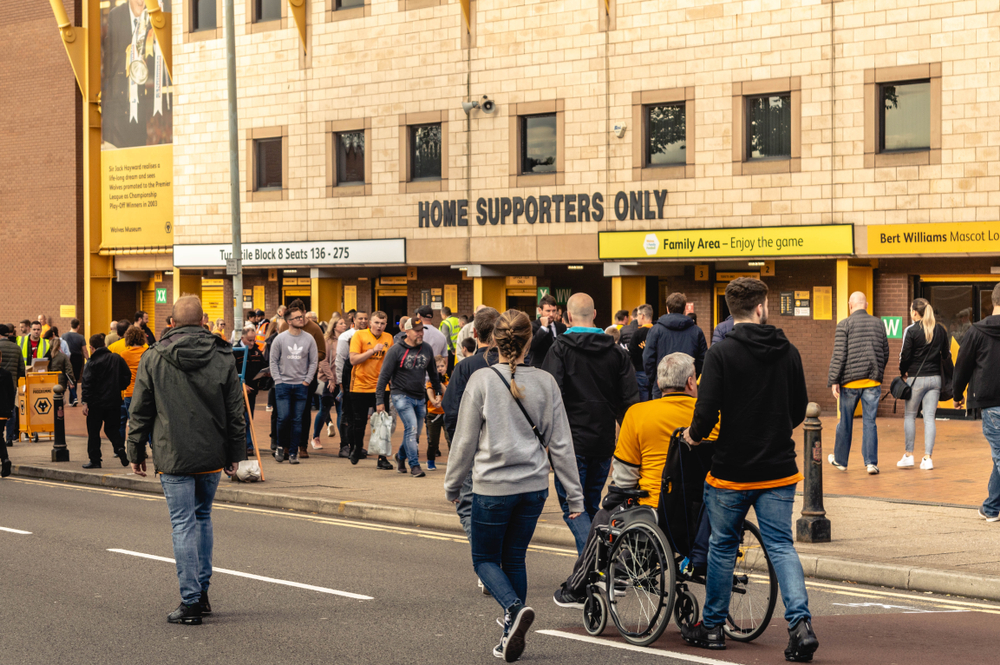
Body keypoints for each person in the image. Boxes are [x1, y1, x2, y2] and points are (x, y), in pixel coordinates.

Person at [680, 277, 817, 662]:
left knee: (723, 547)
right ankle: (800, 626)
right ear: (761, 308)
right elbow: (799, 407)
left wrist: (693, 437)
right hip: (778, 469)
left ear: (732, 311)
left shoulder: (721, 355)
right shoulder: (788, 350)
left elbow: (705, 414)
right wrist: (773, 431)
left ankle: (712, 628)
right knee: (780, 546)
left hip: (732, 471)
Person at [444, 309, 584, 663]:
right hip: (534, 487)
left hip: (492, 487)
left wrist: (452, 485)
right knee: (514, 558)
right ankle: (510, 632)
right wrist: (574, 495)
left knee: (484, 560)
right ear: (529, 340)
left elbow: (464, 442)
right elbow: (562, 444)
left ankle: (513, 607)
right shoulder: (546, 382)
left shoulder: (482, 381)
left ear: (494, 340)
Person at [553, 352, 718, 608]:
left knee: (603, 517)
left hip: (655, 510)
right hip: (704, 512)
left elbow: (625, 476)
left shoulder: (638, 413)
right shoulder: (710, 417)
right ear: (690, 382)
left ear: (660, 384)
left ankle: (580, 586)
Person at [126, 296, 246, 626]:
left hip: (173, 453)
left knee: (182, 524)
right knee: (203, 517)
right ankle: (202, 594)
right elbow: (236, 410)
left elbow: (140, 411)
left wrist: (134, 453)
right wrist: (237, 453)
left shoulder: (153, 357)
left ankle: (190, 600)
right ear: (204, 320)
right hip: (211, 453)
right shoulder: (222, 354)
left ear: (172, 323)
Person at [541, 293, 639, 553]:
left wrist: (547, 439)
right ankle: (599, 571)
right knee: (593, 505)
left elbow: (552, 397)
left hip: (570, 442)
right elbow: (630, 400)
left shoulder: (559, 349)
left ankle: (598, 564)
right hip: (604, 440)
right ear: (595, 315)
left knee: (573, 508)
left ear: (569, 317)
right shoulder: (616, 352)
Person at [443, 307, 501, 538]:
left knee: (468, 507)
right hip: (507, 450)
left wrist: (456, 451)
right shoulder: (517, 367)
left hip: (473, 448)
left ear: (474, 333)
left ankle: (486, 563)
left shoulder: (466, 367)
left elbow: (452, 413)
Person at [827, 291, 889, 475]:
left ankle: (841, 460)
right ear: (867, 305)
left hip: (850, 384)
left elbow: (839, 355)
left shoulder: (844, 324)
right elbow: (885, 352)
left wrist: (834, 380)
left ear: (850, 305)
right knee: (870, 422)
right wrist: (878, 373)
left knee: (845, 422)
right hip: (872, 382)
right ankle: (871, 463)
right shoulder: (878, 324)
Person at [952, 283, 1000, 522]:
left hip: (991, 404)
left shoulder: (976, 332)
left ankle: (992, 508)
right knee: (999, 456)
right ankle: (991, 508)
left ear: (993, 301)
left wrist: (958, 395)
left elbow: (962, 366)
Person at [375, 317, 442, 478]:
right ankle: (414, 465)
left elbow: (433, 373)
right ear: (407, 331)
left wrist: (438, 392)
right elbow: (383, 376)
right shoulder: (395, 350)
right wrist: (379, 401)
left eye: (422, 331)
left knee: (415, 432)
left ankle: (400, 456)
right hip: (400, 395)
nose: (420, 334)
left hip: (419, 396)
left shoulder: (426, 349)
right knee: (411, 428)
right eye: (417, 331)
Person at [897, 298, 952, 470]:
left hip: (916, 379)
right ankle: (928, 458)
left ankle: (909, 455)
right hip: (935, 379)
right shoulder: (940, 331)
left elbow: (905, 356)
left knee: (910, 415)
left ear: (915, 312)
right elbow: (946, 356)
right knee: (929, 418)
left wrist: (903, 371)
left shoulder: (912, 331)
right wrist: (952, 377)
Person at [268, 306, 318, 464]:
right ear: (289, 321)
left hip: (301, 385)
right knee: (283, 418)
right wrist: (278, 380)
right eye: (297, 318)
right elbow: (273, 361)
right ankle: (281, 447)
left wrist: (307, 381)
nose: (301, 319)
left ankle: (294, 453)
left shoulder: (309, 338)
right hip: (283, 385)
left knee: (297, 420)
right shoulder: (280, 339)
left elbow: (314, 361)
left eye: (302, 317)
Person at [348, 310, 393, 467]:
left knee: (383, 423)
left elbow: (390, 362)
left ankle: (382, 457)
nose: (379, 326)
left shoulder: (389, 338)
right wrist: (372, 351)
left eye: (382, 323)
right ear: (370, 323)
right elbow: (353, 360)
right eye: (376, 323)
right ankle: (357, 448)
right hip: (360, 385)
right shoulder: (359, 336)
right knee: (359, 422)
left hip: (381, 387)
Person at [643, 292, 707, 399]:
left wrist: (656, 379)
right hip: (687, 385)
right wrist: (692, 376)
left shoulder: (655, 330)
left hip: (662, 385)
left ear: (667, 308)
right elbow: (703, 359)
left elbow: (648, 358)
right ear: (684, 309)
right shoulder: (696, 331)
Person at [80, 334, 131, 469]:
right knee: (112, 428)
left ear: (92, 347)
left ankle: (95, 460)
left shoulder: (91, 363)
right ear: (104, 344)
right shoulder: (116, 358)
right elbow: (127, 375)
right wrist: (120, 387)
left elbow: (87, 384)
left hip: (95, 403)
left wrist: (85, 402)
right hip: (113, 401)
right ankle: (120, 448)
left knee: (94, 432)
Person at [289, 299, 327, 459]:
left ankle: (302, 445)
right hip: (288, 376)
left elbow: (322, 352)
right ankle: (285, 445)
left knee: (304, 413)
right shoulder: (285, 326)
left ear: (304, 313)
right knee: (286, 413)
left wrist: (305, 357)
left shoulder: (314, 329)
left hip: (306, 377)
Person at [109, 326, 149, 446]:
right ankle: (146, 445)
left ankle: (124, 447)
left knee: (130, 422)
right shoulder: (147, 352)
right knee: (147, 420)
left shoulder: (124, 354)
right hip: (145, 391)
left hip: (129, 392)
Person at [335, 312, 368, 458]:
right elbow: (340, 360)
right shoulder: (345, 336)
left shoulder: (369, 335)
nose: (363, 321)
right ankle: (344, 446)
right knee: (346, 413)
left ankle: (356, 446)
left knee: (359, 414)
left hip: (364, 379)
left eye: (365, 318)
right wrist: (340, 382)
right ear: (353, 320)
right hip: (348, 377)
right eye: (360, 318)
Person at [314, 313, 349, 449]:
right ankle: (315, 437)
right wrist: (331, 379)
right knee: (324, 410)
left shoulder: (346, 340)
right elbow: (323, 361)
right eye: (341, 323)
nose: (344, 325)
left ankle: (344, 443)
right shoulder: (327, 340)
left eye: (344, 323)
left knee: (341, 411)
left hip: (341, 382)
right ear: (334, 326)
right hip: (327, 381)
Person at [235, 324, 267, 457]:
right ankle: (247, 445)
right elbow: (231, 372)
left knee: (249, 418)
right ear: (242, 338)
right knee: (243, 419)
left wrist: (265, 375)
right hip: (239, 392)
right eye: (250, 340)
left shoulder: (256, 351)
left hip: (252, 391)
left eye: (254, 340)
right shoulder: (235, 351)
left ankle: (247, 444)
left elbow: (263, 366)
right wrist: (240, 386)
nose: (253, 342)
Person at [0, 326, 25, 449]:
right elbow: (22, 368)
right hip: (12, 383)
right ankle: (9, 438)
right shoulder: (16, 348)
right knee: (11, 408)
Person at [528, 294, 567, 368]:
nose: (551, 314)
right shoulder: (533, 326)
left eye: (554, 311)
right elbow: (531, 346)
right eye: (548, 311)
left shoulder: (561, 327)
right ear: (540, 310)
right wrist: (543, 328)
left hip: (557, 368)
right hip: (539, 368)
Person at [425, 355, 449, 470]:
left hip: (446, 413)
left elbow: (448, 393)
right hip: (433, 413)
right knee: (433, 441)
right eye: (437, 366)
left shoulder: (448, 380)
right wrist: (434, 401)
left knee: (450, 439)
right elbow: (429, 391)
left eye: (442, 366)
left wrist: (440, 383)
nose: (440, 368)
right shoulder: (430, 380)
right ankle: (430, 460)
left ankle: (453, 462)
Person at [627, 304, 655, 401]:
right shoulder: (658, 331)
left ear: (642, 316)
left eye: (638, 315)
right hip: (656, 373)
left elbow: (631, 352)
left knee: (642, 402)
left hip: (640, 372)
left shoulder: (637, 333)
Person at [63, 318, 88, 406]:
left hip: (67, 358)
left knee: (68, 377)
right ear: (78, 326)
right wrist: (88, 360)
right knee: (75, 378)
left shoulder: (64, 336)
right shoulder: (81, 337)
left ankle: (71, 398)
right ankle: (73, 398)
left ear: (71, 325)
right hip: (77, 359)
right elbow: (84, 350)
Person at [0, 352, 12, 478]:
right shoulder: (7, 374)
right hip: (3, 410)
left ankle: (5, 459)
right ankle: (5, 459)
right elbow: (10, 393)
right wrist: (10, 410)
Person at [440, 306, 462, 371]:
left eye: (441, 315)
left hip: (449, 349)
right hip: (459, 347)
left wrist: (452, 349)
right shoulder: (457, 319)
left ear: (444, 315)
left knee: (448, 370)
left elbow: (446, 337)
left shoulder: (445, 323)